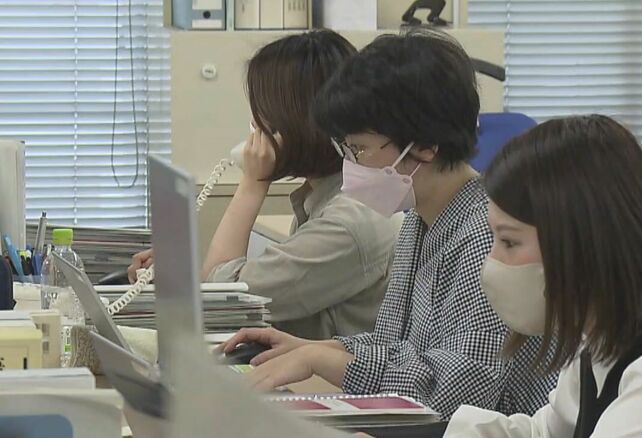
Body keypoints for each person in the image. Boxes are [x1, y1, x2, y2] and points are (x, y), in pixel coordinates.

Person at [220, 29, 557, 420]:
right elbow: (397, 345)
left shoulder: (486, 236)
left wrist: (322, 360)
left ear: (426, 146)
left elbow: (457, 393)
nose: (351, 163)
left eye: (360, 149)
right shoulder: (421, 218)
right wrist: (318, 349)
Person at [444, 115, 642, 437]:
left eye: (509, 242)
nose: (493, 260)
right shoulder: (602, 336)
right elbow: (549, 432)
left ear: (580, 242)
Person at [129, 30, 402, 340]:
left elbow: (224, 302)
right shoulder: (323, 197)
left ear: (292, 123)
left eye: (262, 121)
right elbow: (231, 291)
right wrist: (182, 279)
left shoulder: (348, 222)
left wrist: (253, 182)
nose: (255, 133)